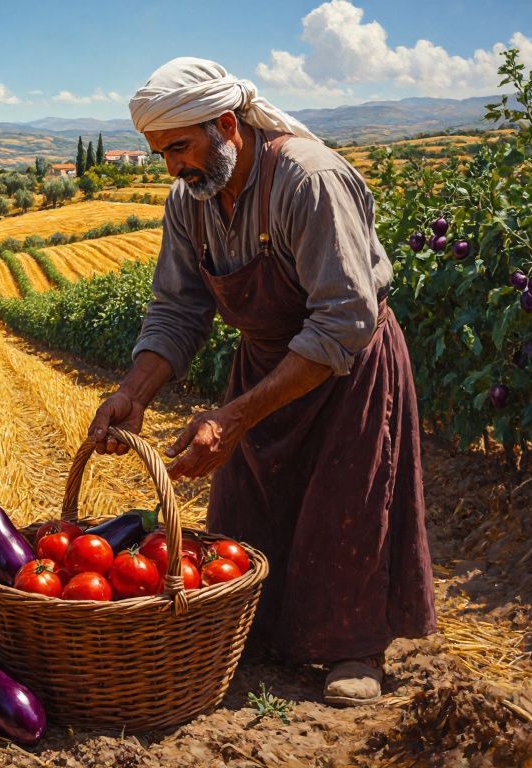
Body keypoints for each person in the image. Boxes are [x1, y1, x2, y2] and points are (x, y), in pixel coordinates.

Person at [87, 57, 436, 706]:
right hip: (265, 363)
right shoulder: (190, 202)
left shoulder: (309, 180)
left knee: (347, 505)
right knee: (247, 510)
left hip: (347, 367)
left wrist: (235, 415)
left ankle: (352, 647)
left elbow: (343, 319)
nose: (171, 168)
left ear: (226, 125)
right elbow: (178, 309)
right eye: (160, 153)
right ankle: (256, 633)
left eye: (179, 148)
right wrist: (132, 393)